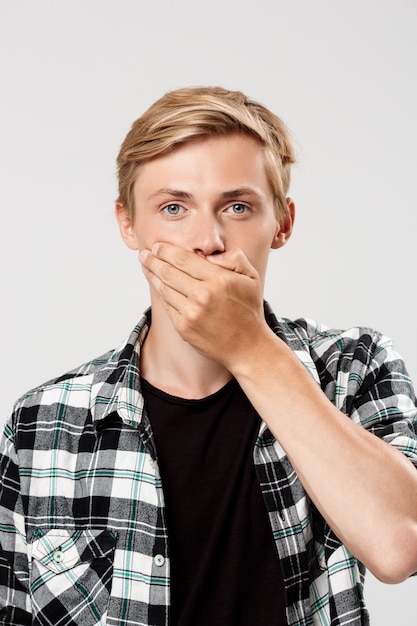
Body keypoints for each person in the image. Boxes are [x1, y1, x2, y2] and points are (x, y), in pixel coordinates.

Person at [0, 87, 416, 626]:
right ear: (128, 224)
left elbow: (400, 547)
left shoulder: (354, 368)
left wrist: (249, 347)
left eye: (237, 206)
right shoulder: (44, 421)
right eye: (174, 208)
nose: (208, 239)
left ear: (283, 223)